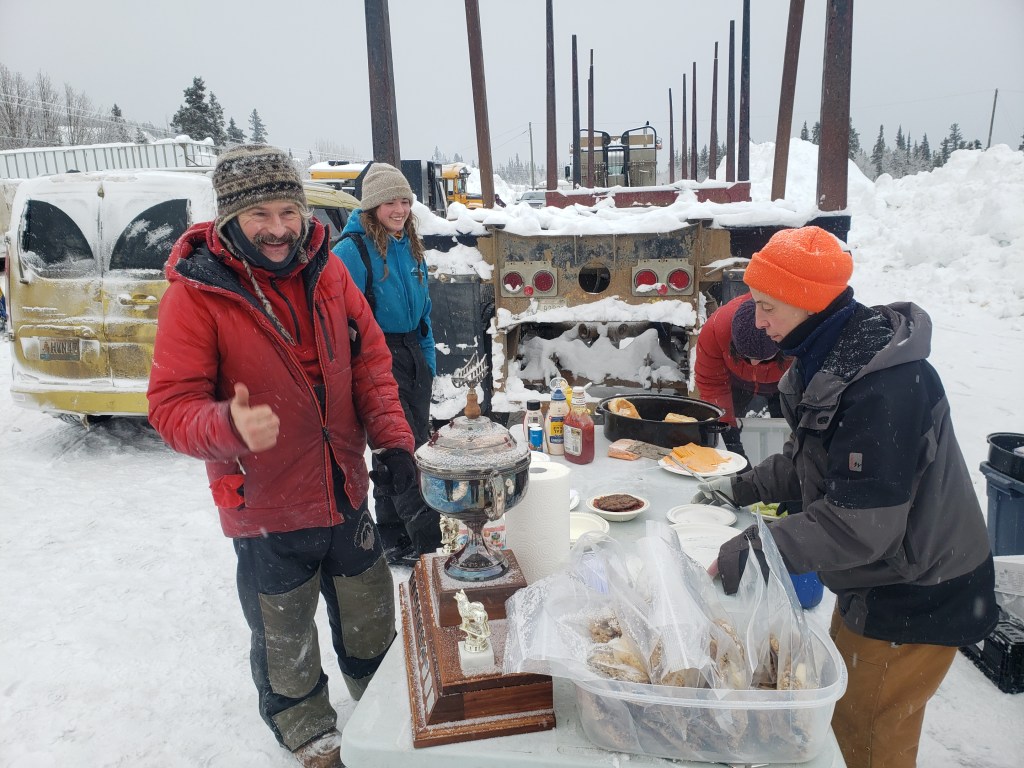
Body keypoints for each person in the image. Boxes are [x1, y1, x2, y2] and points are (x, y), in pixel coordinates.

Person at [148, 145, 417, 768]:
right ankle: (308, 729)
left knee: (371, 611)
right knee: (284, 630)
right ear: (229, 218)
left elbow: (372, 364)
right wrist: (228, 424)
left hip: (344, 487)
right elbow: (170, 406)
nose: (278, 229)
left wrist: (394, 441)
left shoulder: (329, 271)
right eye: (260, 215)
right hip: (264, 502)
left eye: (288, 212)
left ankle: (384, 708)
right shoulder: (196, 295)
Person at [696, 225, 999, 768]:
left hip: (917, 590)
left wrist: (760, 546)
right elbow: (810, 463)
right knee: (838, 718)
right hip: (875, 579)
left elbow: (861, 524)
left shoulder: (884, 388)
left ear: (807, 302)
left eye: (767, 306)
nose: (757, 321)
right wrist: (741, 486)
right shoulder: (827, 360)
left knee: (866, 738)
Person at [333, 162, 441, 567]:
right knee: (401, 448)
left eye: (405, 202)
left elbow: (424, 311)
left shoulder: (409, 244)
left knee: (402, 447)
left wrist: (427, 361)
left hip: (413, 352)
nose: (399, 210)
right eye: (390, 202)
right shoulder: (352, 251)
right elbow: (336, 318)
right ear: (372, 205)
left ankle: (393, 536)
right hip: (377, 355)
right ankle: (429, 544)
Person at [694, 293, 790, 457]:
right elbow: (712, 386)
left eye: (764, 359)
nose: (754, 364)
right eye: (745, 357)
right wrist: (730, 441)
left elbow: (813, 388)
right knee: (727, 435)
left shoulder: (799, 329)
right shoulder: (716, 330)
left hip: (785, 384)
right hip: (736, 383)